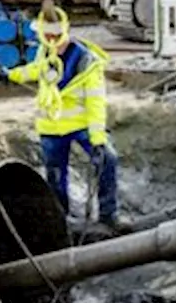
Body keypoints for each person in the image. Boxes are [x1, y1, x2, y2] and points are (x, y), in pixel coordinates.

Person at [7, 18, 121, 229]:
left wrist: (97, 138)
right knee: (56, 176)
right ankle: (60, 220)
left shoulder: (87, 62)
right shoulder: (45, 52)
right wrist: (10, 76)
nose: (51, 41)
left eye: (54, 37)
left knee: (107, 159)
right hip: (51, 127)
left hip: (81, 126)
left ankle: (108, 215)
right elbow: (36, 70)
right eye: (46, 37)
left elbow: (95, 101)